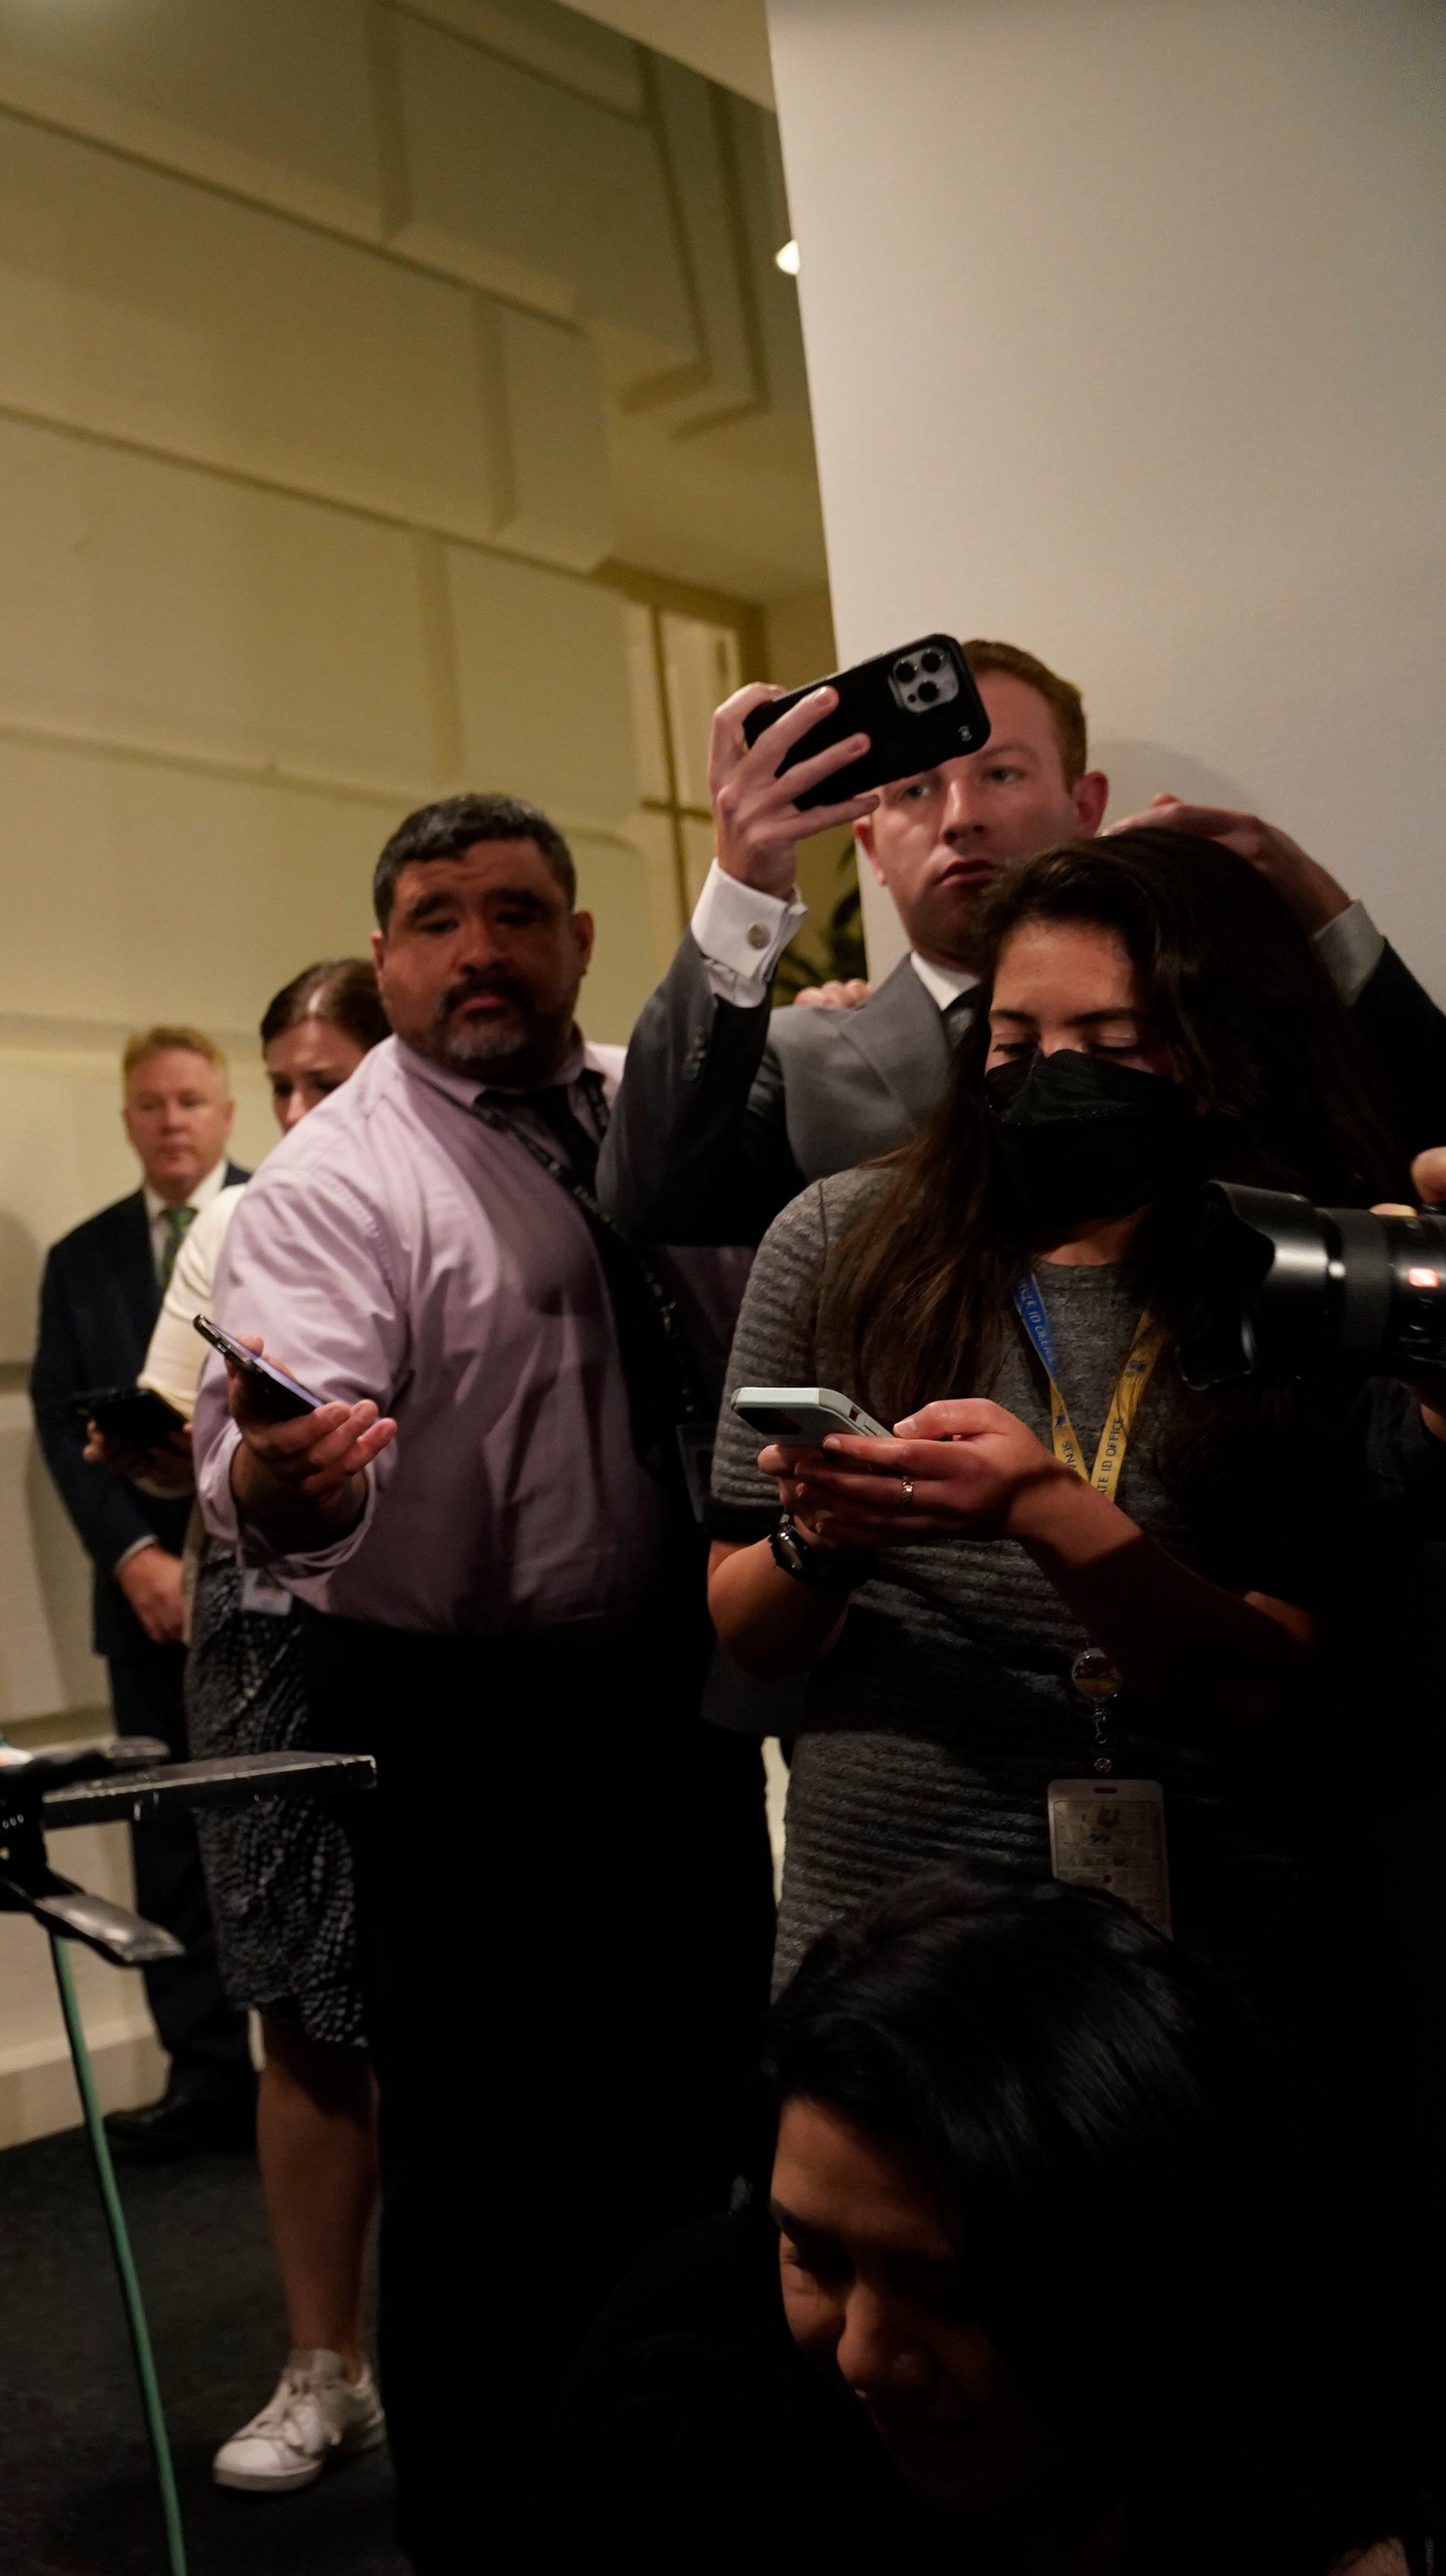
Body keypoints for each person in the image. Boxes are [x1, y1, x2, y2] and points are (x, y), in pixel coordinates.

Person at [198, 792, 775, 2573]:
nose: (479, 952)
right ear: (386, 960)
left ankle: (678, 2500)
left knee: (692, 2131)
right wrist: (286, 1480)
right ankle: (490, 2529)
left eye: (516, 913)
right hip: (463, 1729)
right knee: (491, 2180)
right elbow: (275, 1434)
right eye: (436, 919)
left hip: (681, 1703)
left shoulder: (654, 1108)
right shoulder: (340, 1180)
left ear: (580, 941)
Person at [708, 831, 1413, 2102]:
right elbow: (747, 1624)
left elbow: (1265, 1687)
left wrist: (1049, 1513)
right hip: (897, 1921)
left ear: (1222, 1048)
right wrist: (826, 1537)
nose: (1055, 1081)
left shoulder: (1322, 1280)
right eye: (1019, 1046)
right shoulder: (841, 1237)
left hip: (1232, 1936)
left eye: (1114, 1044)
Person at [554, 1868, 1409, 2574]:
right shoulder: (683, 2371)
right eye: (813, 2258)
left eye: (950, 2289)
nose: (864, 2356)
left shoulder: (1311, 2490)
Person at [602, 636, 1446, 1247]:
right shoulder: (801, 1057)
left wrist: (1324, 914)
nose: (962, 816)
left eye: (1001, 773)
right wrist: (743, 885)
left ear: (1085, 807)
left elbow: (1414, 1157)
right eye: (916, 790)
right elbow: (651, 1200)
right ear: (870, 850)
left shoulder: (1209, 1024)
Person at [146, 958, 396, 2497]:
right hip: (258, 1640)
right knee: (295, 2006)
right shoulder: (232, 1226)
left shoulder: (448, 1196)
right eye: (282, 1084)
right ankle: (328, 2365)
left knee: (444, 1993)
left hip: (418, 1631)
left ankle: (482, 2343)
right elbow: (176, 1426)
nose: (301, 1114)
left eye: (329, 1082)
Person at [33, 1024, 250, 2158]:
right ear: (129, 1120)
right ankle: (207, 2077)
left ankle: (321, 2075)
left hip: (270, 1586)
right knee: (167, 1846)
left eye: (191, 1101)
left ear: (226, 1114)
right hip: (144, 1600)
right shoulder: (81, 1260)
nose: (172, 1120)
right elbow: (64, 1425)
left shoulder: (277, 1215)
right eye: (151, 1104)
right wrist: (137, 1557)